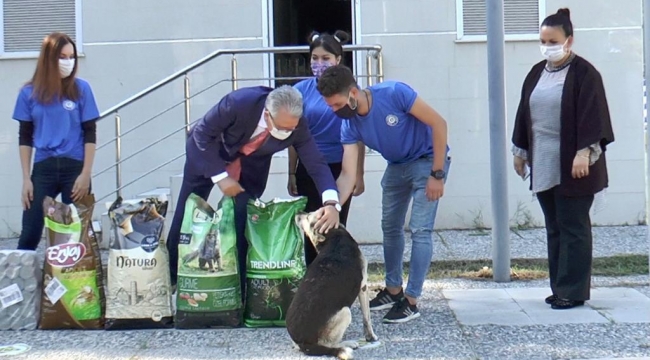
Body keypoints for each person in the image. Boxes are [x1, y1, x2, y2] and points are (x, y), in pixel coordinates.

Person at [166, 85, 342, 301]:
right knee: (186, 216)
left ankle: (237, 291)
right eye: (282, 128)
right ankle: (172, 280)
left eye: (291, 129)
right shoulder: (238, 103)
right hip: (207, 155)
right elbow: (201, 135)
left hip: (249, 169)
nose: (287, 133)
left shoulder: (298, 125)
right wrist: (220, 177)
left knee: (242, 222)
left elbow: (316, 163)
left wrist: (332, 202)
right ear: (267, 115)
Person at [317, 65, 451, 323]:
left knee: (420, 229)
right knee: (389, 226)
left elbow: (438, 123)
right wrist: (332, 204)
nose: (334, 111)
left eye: (336, 104)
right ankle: (392, 290)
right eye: (330, 106)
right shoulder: (349, 125)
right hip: (397, 165)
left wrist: (437, 173)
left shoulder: (394, 93)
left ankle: (411, 300)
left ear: (353, 93)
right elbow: (347, 175)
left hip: (427, 161)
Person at [511, 8, 615, 310]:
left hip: (575, 164)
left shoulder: (585, 73)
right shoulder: (536, 72)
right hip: (544, 160)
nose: (547, 46)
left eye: (552, 40)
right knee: (554, 225)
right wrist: (521, 152)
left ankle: (574, 290)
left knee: (573, 225)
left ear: (568, 40)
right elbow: (524, 112)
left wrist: (585, 152)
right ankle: (559, 286)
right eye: (543, 40)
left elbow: (593, 116)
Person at [12, 32, 99, 251]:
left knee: (78, 233)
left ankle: (80, 284)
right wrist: (26, 179)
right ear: (49, 58)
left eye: (72, 57)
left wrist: (86, 174)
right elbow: (25, 136)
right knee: (30, 232)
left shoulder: (82, 89)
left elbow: (90, 133)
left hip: (75, 169)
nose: (68, 62)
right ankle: (23, 282)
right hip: (44, 168)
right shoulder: (28, 93)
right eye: (62, 56)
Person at [288, 30, 365, 266]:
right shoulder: (300, 90)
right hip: (309, 169)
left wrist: (358, 175)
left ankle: (336, 280)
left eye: (325, 58)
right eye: (315, 58)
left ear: (338, 60)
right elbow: (293, 135)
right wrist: (291, 171)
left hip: (340, 168)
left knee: (335, 229)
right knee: (310, 232)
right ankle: (313, 281)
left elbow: (358, 135)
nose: (319, 63)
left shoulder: (349, 91)